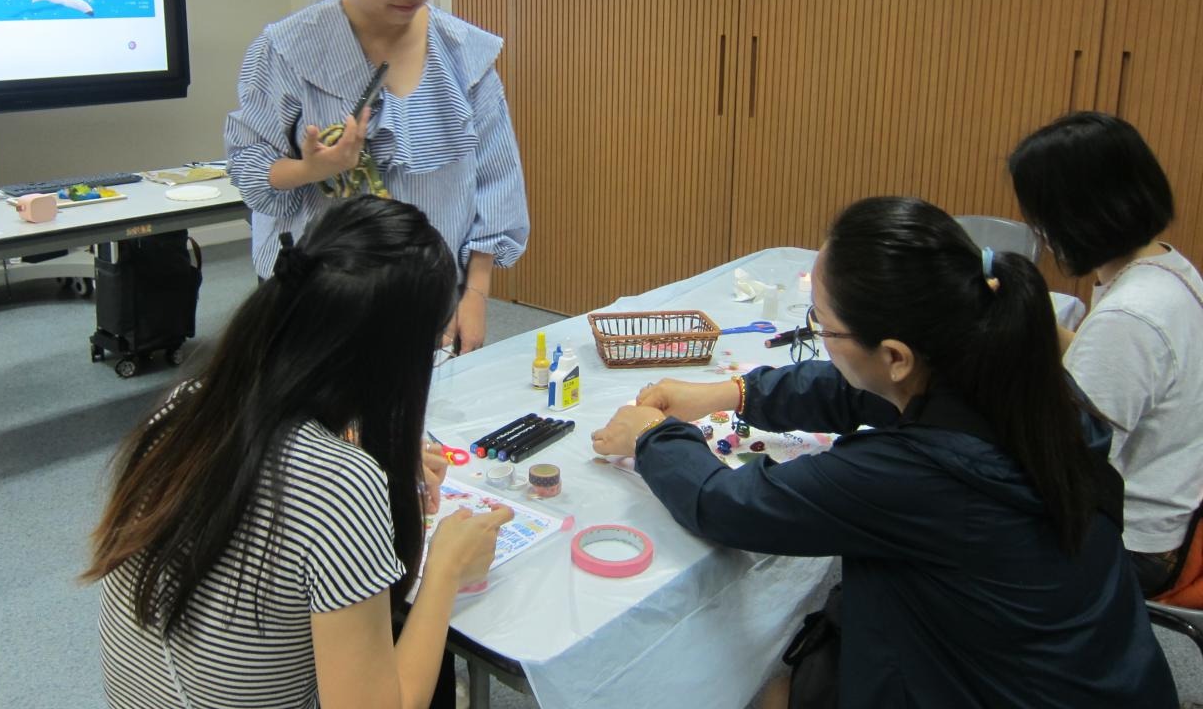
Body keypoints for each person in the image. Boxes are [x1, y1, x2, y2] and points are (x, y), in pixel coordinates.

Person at [592, 196, 1176, 709]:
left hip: (1002, 688)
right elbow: (863, 392)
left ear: (896, 355)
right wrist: (735, 393)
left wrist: (652, 437)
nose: (820, 337)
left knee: (769, 693)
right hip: (1104, 675)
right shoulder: (1020, 382)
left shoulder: (917, 476)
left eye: (824, 327)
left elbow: (726, 504)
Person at [84, 196, 513, 709]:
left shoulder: (187, 404)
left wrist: (360, 458)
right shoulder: (341, 483)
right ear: (398, 357)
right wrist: (446, 567)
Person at [225, 0, 529, 353]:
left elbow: (497, 182)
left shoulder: (464, 54)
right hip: (319, 295)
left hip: (429, 292)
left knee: (423, 401)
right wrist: (311, 169)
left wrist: (475, 293)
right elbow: (248, 164)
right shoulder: (287, 50)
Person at [1009, 110, 1203, 596]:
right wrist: (1031, 318)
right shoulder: (1168, 269)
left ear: (1075, 217)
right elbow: (1113, 370)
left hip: (1132, 544)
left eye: (1041, 217)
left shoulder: (1129, 317)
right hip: (1171, 517)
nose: (1039, 233)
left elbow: (1063, 461)